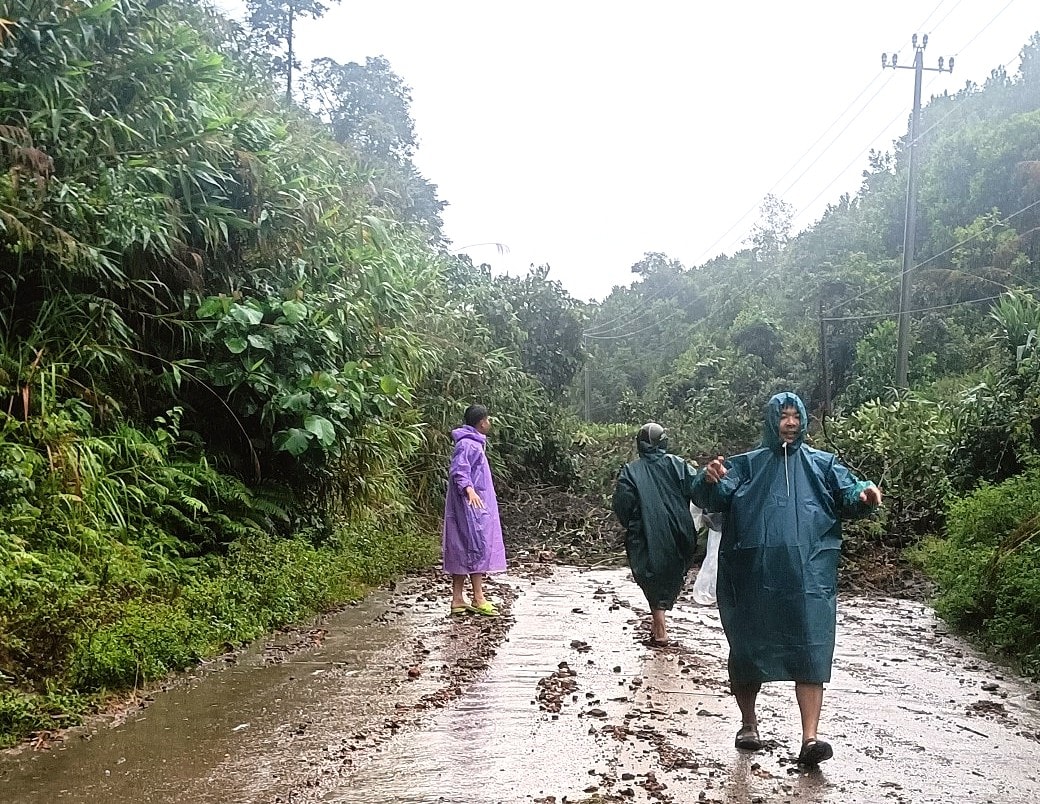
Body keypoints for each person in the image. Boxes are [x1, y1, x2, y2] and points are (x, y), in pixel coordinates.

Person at [691, 392, 882, 767]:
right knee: (747, 650)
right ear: (770, 420)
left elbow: (848, 493)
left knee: (810, 650)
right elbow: (714, 496)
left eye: (796, 416)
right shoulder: (745, 466)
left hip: (808, 579)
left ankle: (810, 739)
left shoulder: (823, 466)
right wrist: (708, 480)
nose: (791, 423)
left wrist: (864, 495)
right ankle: (748, 724)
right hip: (752, 578)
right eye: (784, 416)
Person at [612, 421, 699, 646]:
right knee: (672, 575)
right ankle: (658, 624)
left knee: (650, 577)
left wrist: (633, 524)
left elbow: (623, 504)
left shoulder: (631, 471)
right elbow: (699, 490)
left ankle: (660, 628)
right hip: (681, 532)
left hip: (644, 534)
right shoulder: (679, 465)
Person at [443, 404, 506, 617]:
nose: (489, 424)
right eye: (488, 420)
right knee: (476, 546)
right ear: (481, 422)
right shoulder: (469, 445)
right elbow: (460, 470)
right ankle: (478, 597)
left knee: (462, 546)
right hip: (472, 505)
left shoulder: (471, 443)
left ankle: (458, 599)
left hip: (471, 503)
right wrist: (469, 490)